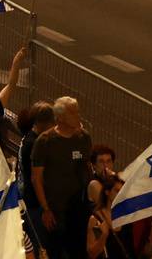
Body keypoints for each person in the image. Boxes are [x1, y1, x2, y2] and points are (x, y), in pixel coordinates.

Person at [32, 96, 95, 259]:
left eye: (77, 112)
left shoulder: (83, 138)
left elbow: (88, 167)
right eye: (73, 113)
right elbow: (36, 178)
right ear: (60, 118)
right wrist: (45, 209)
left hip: (78, 209)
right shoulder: (45, 142)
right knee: (55, 251)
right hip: (55, 211)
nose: (78, 116)